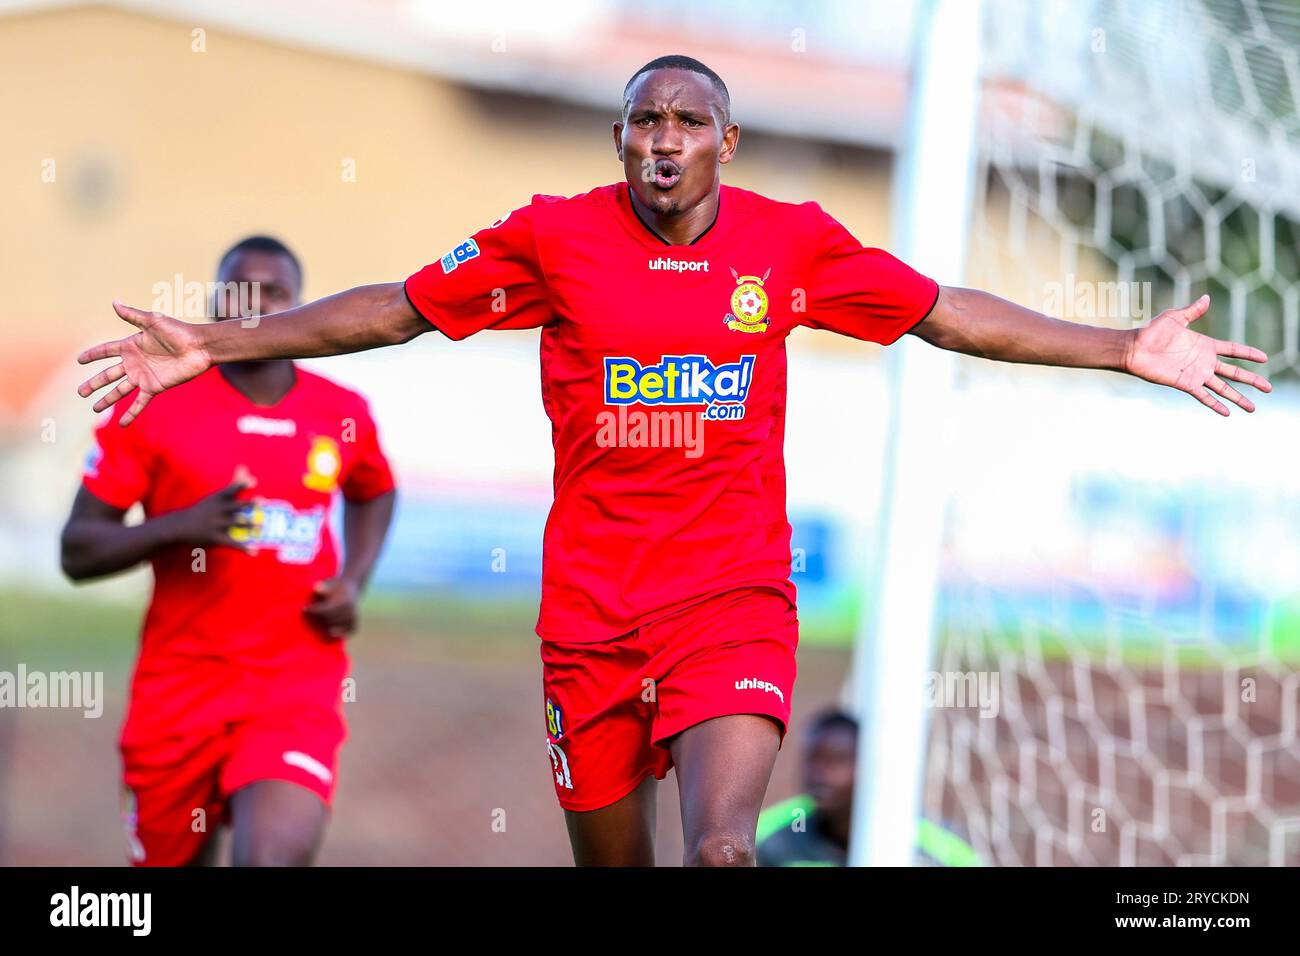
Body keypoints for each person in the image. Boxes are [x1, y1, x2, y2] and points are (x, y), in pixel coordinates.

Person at [73, 56, 1270, 866]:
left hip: (729, 600)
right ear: (620, 140)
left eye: (688, 121)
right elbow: (393, 307)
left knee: (721, 846)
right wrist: (219, 344)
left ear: (725, 144)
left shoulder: (789, 246)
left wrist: (1121, 345)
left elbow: (945, 311)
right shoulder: (550, 237)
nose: (663, 138)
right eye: (644, 120)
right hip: (589, 614)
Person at [62, 236, 397, 866]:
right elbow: (78, 550)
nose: (255, 301)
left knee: (269, 858)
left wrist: (353, 579)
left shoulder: (341, 411)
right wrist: (180, 526)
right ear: (214, 300)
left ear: (299, 305)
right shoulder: (156, 404)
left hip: (292, 690)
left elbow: (376, 490)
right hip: (178, 697)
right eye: (239, 288)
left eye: (274, 291)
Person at [756, 709, 981, 866]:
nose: (819, 774)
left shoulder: (935, 848)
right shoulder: (770, 837)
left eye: (836, 761)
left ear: (869, 769)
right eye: (813, 760)